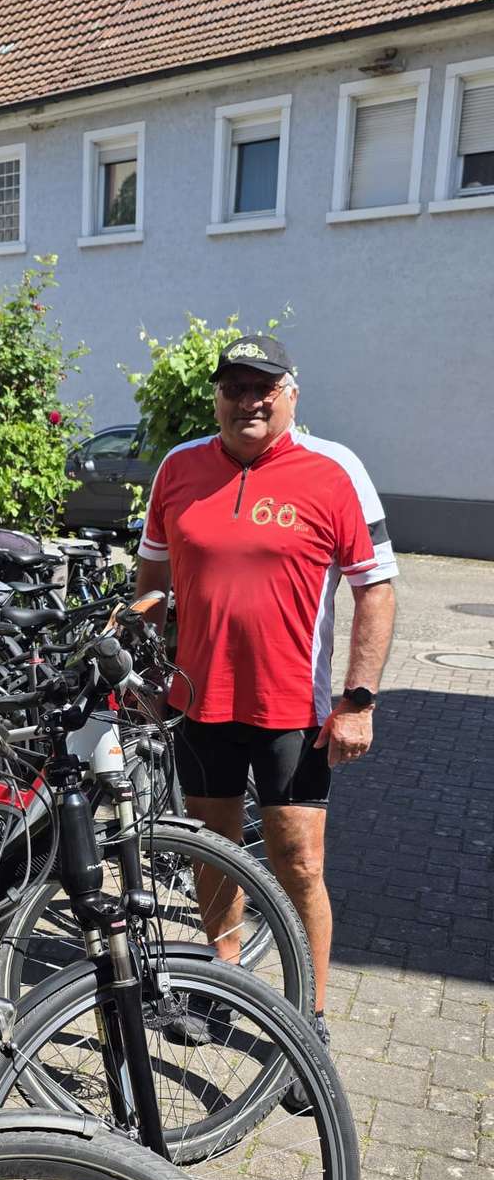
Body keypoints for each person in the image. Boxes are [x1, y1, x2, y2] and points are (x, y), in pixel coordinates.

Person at [135, 334, 397, 1085]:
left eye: (263, 388)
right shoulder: (179, 467)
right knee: (212, 850)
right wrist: (144, 668)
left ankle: (309, 1017)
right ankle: (223, 983)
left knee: (299, 863)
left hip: (294, 707)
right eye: (234, 388)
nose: (248, 401)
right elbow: (152, 577)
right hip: (199, 700)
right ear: (217, 396)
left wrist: (358, 700)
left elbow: (376, 588)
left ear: (291, 394)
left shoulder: (334, 469)